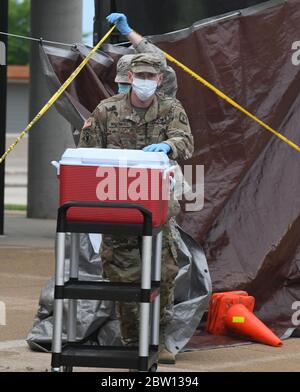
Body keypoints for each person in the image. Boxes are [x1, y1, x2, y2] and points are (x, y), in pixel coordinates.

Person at [79, 54, 193, 366]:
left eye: (150, 76)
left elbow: (185, 141)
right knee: (122, 276)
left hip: (157, 207)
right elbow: (87, 152)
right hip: (118, 205)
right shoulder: (107, 110)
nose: (144, 81)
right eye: (139, 75)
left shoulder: (170, 108)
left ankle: (158, 340)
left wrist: (168, 146)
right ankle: (133, 341)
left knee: (164, 275)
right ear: (130, 77)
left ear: (159, 80)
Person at [107, 13, 177, 98]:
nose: (126, 87)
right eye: (123, 83)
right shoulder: (111, 107)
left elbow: (158, 60)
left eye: (140, 76)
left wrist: (128, 32)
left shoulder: (163, 99)